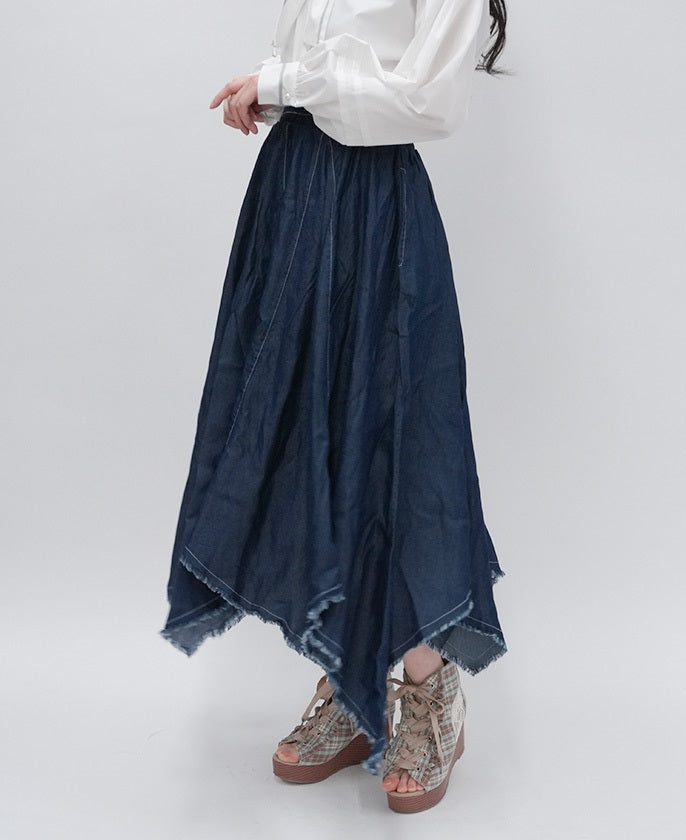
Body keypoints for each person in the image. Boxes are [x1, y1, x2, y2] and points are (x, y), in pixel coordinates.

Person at [159, 0, 509, 814]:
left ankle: (430, 689)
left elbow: (427, 100)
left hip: (374, 204)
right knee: (303, 434)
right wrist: (275, 84)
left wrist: (284, 79)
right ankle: (352, 681)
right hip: (292, 191)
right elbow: (329, 58)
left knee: (395, 433)